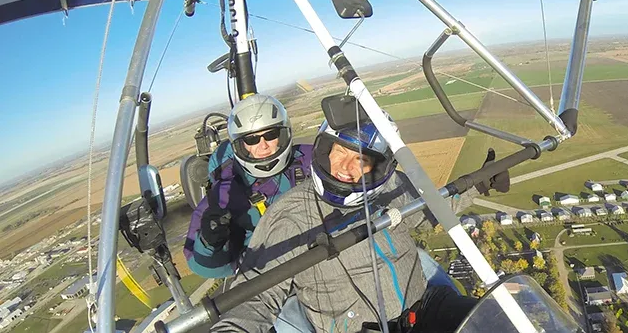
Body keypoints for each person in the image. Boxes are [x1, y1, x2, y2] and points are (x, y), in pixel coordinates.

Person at [211, 112, 448, 332]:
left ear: (376, 168)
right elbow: (256, 295)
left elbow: (431, 213)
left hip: (425, 309)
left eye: (360, 159)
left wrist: (478, 182)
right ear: (325, 151)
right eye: (340, 152)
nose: (346, 167)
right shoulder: (290, 213)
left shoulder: (392, 186)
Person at [184, 94, 313, 279]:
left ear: (284, 133)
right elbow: (201, 266)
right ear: (241, 145)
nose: (264, 146)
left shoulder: (309, 159)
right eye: (252, 140)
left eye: (271, 135)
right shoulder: (224, 194)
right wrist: (209, 242)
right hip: (273, 276)